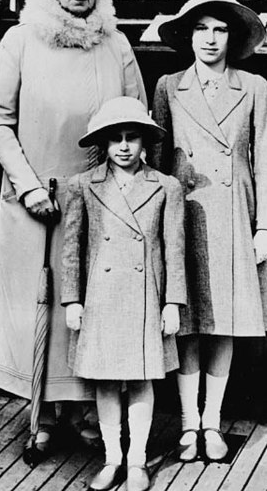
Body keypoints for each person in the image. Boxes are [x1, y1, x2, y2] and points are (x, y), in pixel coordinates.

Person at [0, 0, 146, 461]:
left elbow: (136, 117)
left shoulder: (116, 45)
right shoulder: (21, 41)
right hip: (34, 203)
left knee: (92, 308)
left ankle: (86, 411)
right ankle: (42, 416)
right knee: (38, 306)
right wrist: (28, 186)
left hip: (99, 203)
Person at [147, 0, 267, 462]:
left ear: (233, 36)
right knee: (184, 321)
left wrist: (266, 225)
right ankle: (187, 425)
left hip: (231, 215)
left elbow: (263, 161)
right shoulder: (167, 86)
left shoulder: (254, 88)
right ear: (187, 35)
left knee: (223, 320)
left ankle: (212, 423)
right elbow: (158, 166)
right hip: (184, 215)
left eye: (220, 29)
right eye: (201, 28)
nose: (210, 38)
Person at [61, 97, 186, 491]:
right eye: (116, 139)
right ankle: (112, 457)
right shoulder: (84, 185)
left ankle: (137, 462)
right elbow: (72, 246)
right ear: (104, 144)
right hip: (101, 297)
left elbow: (175, 249)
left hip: (146, 297)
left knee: (142, 379)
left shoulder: (167, 187)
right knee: (106, 382)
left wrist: (172, 302)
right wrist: (73, 299)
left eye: (133, 138)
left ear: (145, 142)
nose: (125, 146)